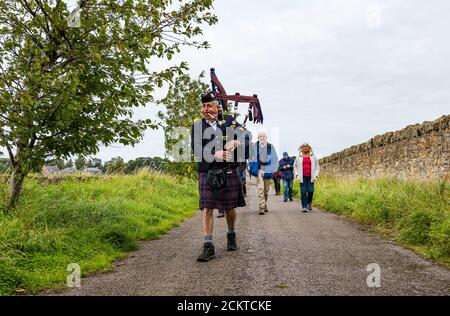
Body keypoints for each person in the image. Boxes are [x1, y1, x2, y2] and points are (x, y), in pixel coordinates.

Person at [191, 92, 251, 262]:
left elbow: (247, 137)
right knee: (207, 208)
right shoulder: (197, 126)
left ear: (217, 107)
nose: (205, 109)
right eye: (203, 106)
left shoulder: (230, 121)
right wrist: (214, 153)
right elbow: (195, 149)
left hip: (229, 169)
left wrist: (240, 142)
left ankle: (231, 234)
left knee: (230, 207)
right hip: (207, 171)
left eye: (209, 106)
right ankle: (208, 246)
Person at [251, 131, 278, 215]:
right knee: (260, 188)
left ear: (266, 137)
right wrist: (252, 167)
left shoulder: (270, 147)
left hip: (268, 170)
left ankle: (265, 203)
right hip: (258, 170)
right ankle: (261, 207)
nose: (262, 137)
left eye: (263, 136)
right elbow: (251, 158)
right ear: (258, 138)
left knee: (266, 190)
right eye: (260, 136)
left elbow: (275, 158)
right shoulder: (254, 146)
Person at [294, 143, 320, 212]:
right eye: (303, 146)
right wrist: (296, 175)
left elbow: (317, 167)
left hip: (311, 177)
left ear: (309, 148)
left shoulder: (313, 156)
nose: (305, 148)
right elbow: (295, 166)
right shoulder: (298, 157)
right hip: (302, 177)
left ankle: (309, 202)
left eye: (306, 146)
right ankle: (304, 207)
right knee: (303, 191)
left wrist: (316, 175)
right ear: (301, 148)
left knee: (311, 191)